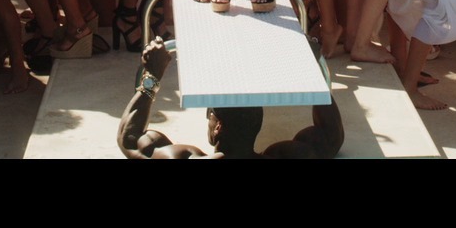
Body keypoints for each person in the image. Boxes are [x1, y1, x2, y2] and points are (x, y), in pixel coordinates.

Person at [118, 39, 343, 159]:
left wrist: (152, 76)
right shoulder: (292, 155)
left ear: (218, 127)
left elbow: (129, 139)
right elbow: (330, 134)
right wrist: (313, 69)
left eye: (209, 114)